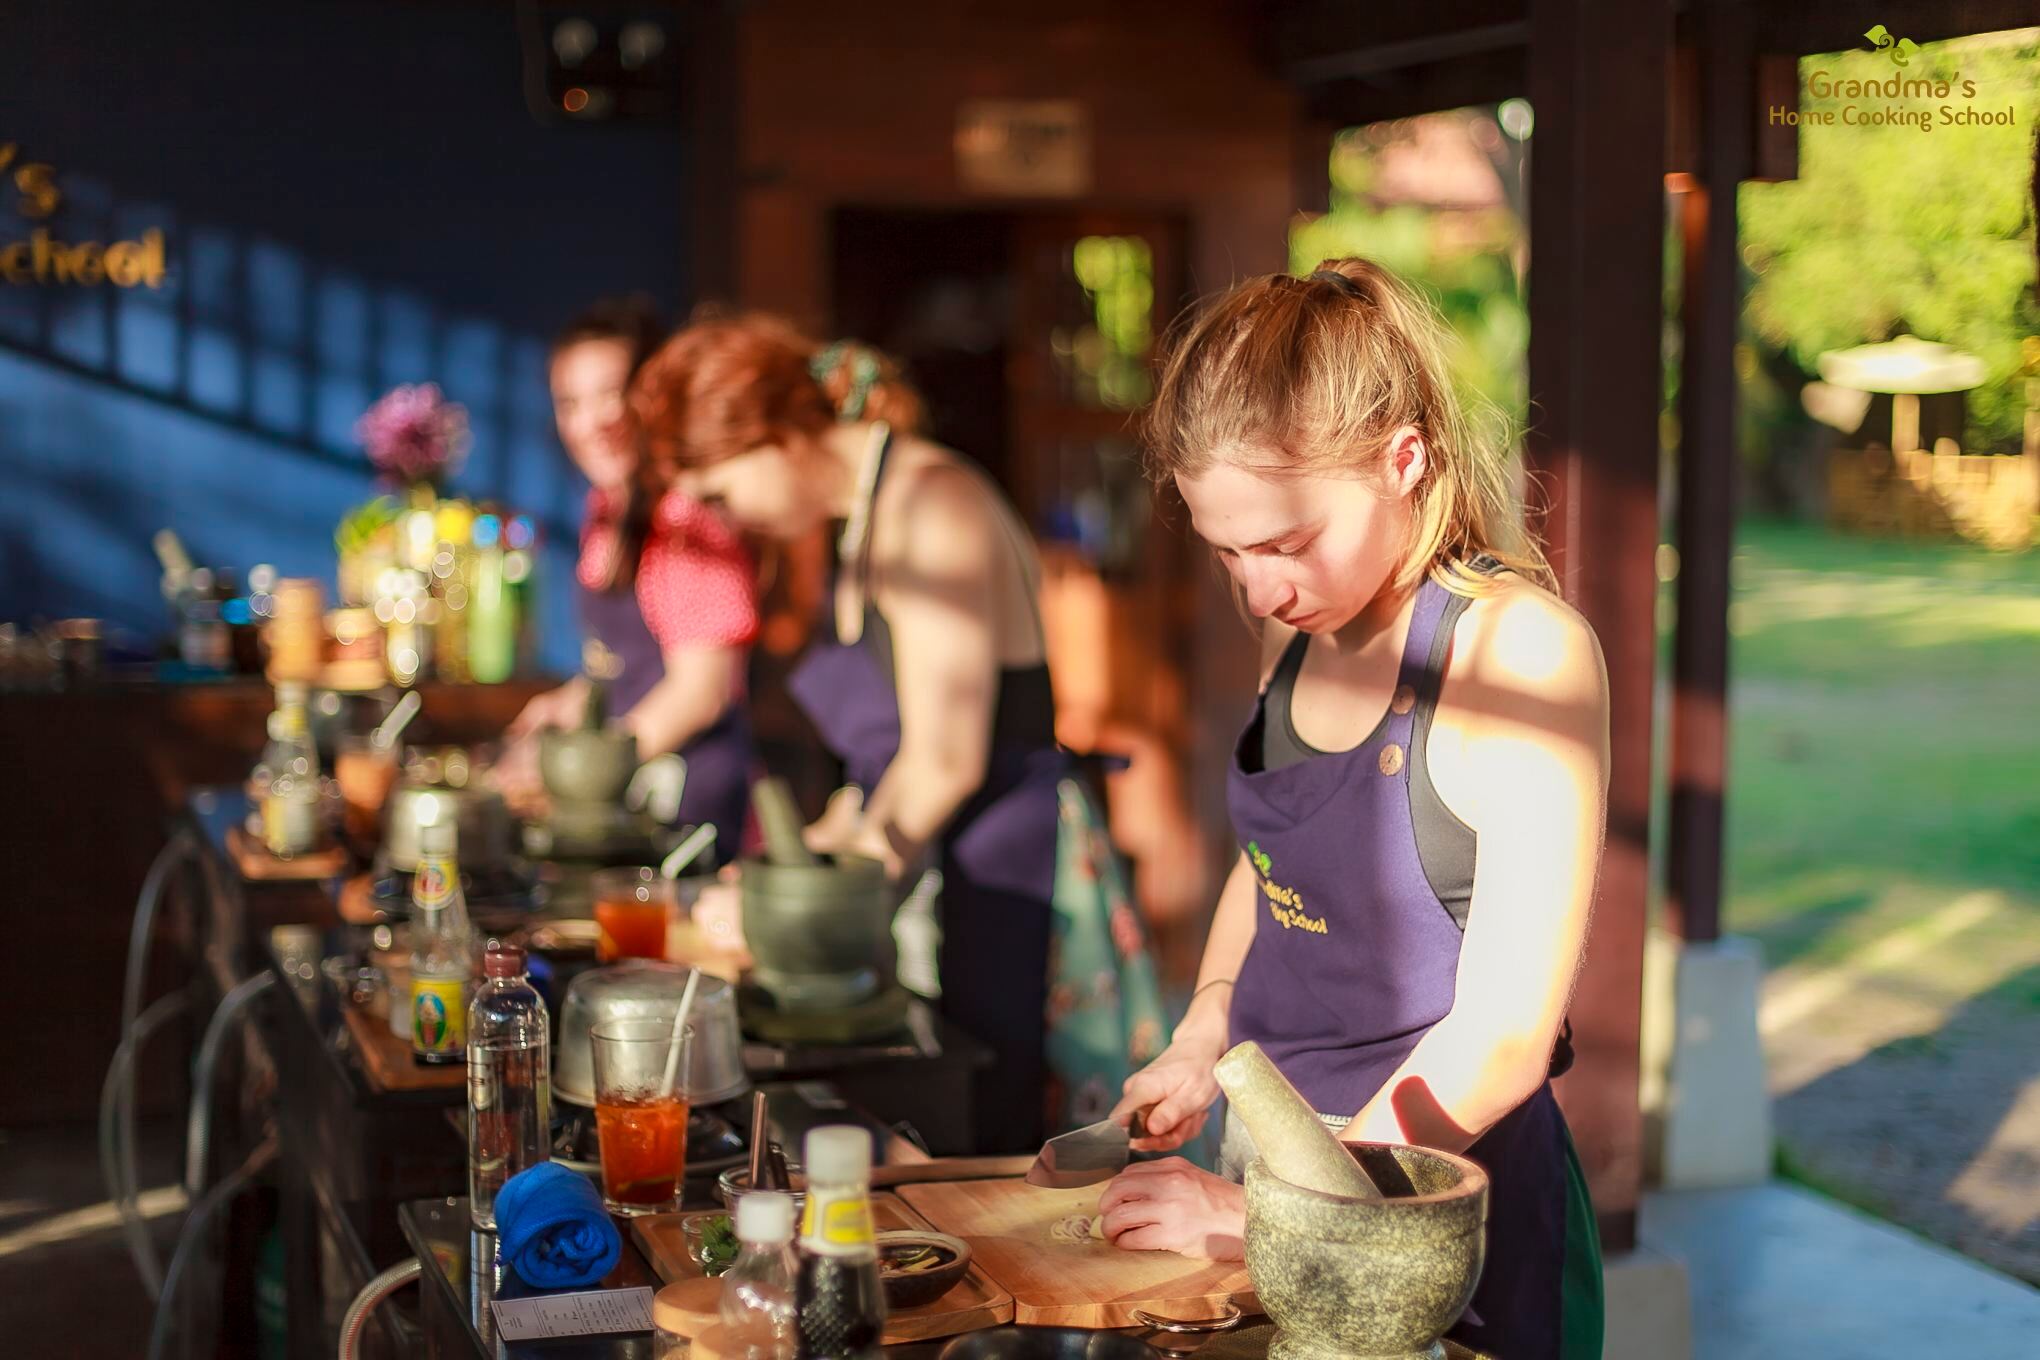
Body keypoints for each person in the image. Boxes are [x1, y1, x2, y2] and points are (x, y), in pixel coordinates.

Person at [1100, 259, 1607, 1360]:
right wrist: (1201, 1037)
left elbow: (1505, 1039)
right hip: (1282, 1179)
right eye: (1226, 549)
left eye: (1283, 542)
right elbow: (1273, 857)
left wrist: (1274, 1218)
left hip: (1440, 1209)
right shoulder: (1300, 627)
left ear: (1403, 458)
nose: (1260, 588)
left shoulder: (1519, 653)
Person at [632, 315, 1166, 1152]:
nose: (722, 520)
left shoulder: (930, 503)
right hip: (940, 866)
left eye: (719, 492)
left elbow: (943, 763)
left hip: (1004, 874)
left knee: (1003, 1147)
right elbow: (885, 764)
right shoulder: (863, 520)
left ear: (777, 436)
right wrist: (797, 858)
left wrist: (811, 910)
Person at [503, 298, 757, 856]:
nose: (591, 423)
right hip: (632, 787)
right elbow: (628, 664)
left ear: (651, 395)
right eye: (570, 403)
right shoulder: (608, 509)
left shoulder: (685, 517)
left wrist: (579, 774)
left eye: (610, 394)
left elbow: (702, 691)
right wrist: (567, 704)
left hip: (686, 804)